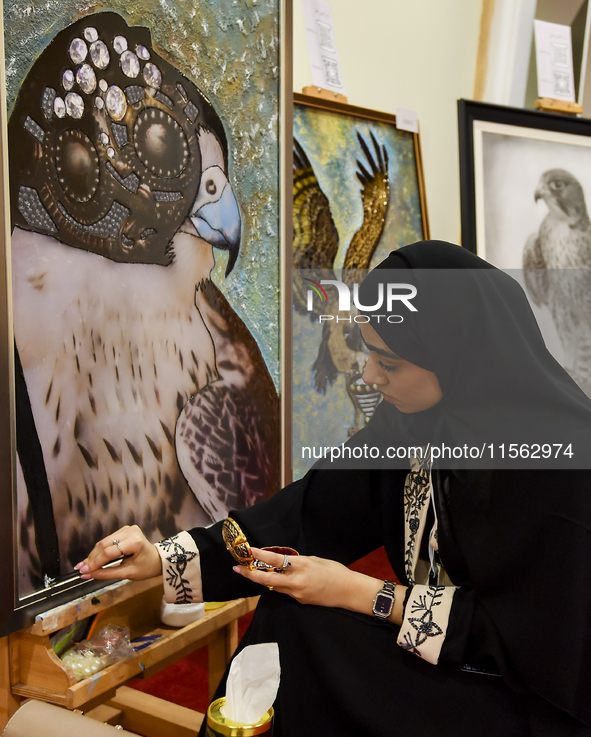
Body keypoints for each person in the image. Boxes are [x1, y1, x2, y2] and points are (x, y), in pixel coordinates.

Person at [78, 241, 591, 736]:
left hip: (527, 699)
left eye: (388, 364)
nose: (369, 375)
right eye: (369, 353)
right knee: (289, 622)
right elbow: (306, 516)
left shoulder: (557, 466)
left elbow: (531, 645)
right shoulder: (414, 426)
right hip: (444, 658)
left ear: (458, 357)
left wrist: (362, 593)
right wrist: (162, 560)